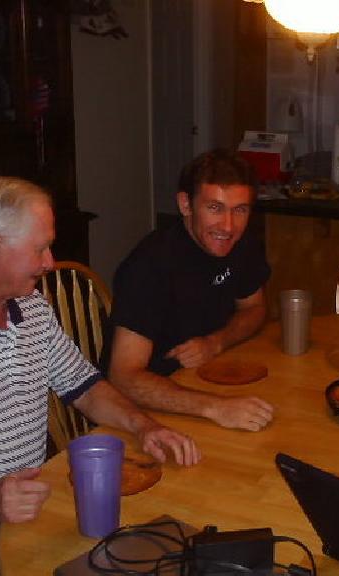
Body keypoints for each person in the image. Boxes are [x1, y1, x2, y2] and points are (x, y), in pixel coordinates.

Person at [0, 176, 200, 576]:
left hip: (21, 505)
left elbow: (84, 387)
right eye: (40, 248)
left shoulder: (28, 305)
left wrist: (144, 425)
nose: (50, 262)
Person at [102, 149, 274, 431]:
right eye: (215, 208)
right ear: (185, 204)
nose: (228, 226)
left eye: (240, 210)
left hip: (207, 381)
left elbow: (255, 308)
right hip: (148, 411)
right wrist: (215, 407)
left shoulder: (242, 243)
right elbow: (123, 376)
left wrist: (216, 342)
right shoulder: (149, 265)